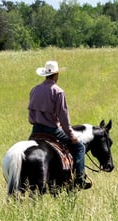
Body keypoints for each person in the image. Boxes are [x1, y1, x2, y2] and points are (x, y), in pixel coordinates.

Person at [28, 60, 92, 189]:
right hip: (52, 130)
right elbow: (63, 116)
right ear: (56, 74)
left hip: (35, 131)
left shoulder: (34, 90)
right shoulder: (58, 91)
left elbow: (30, 117)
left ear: (45, 74)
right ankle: (79, 179)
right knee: (79, 147)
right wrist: (70, 134)